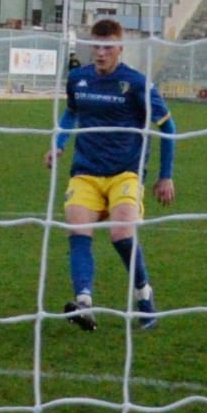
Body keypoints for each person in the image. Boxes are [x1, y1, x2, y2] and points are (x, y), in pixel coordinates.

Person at [45, 18, 175, 332]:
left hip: (125, 173)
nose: (100, 53)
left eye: (107, 47)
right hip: (85, 172)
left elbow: (168, 127)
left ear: (120, 48)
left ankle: (144, 296)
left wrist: (165, 176)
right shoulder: (78, 78)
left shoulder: (137, 83)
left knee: (121, 235)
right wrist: (59, 144)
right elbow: (71, 112)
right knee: (78, 230)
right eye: (96, 46)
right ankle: (84, 303)